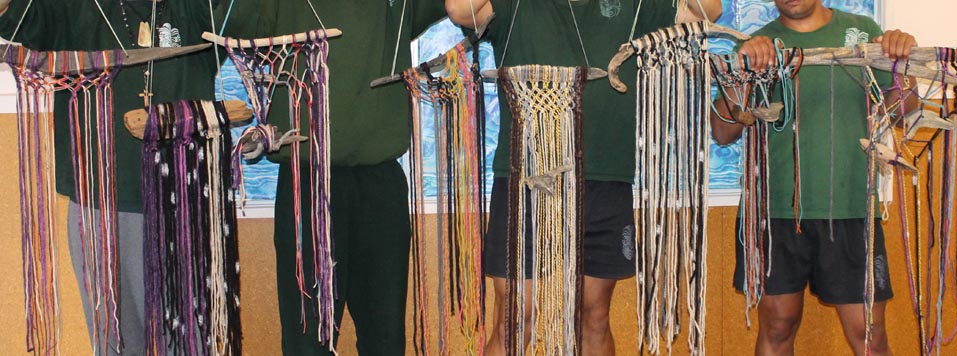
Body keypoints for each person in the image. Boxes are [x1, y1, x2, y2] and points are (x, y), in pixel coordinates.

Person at [446, 1, 721, 354]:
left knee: (594, 316)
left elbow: (706, 14)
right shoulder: (512, 6)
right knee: (517, 318)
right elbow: (459, 10)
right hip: (526, 180)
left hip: (605, 180)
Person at [221, 0, 446, 354]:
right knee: (308, 339)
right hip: (306, 183)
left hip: (380, 181)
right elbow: (232, 19)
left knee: (385, 338)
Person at [0, 1, 223, 354]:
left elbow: (238, 21)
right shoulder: (67, 8)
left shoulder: (195, 6)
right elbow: (18, 23)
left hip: (181, 197)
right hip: (98, 203)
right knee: (114, 343)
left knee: (188, 340)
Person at [710, 1, 919, 355]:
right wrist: (741, 70)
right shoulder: (757, 44)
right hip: (773, 212)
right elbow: (722, 132)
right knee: (777, 327)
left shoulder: (863, 33)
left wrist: (902, 64)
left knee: (868, 333)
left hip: (850, 207)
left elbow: (905, 111)